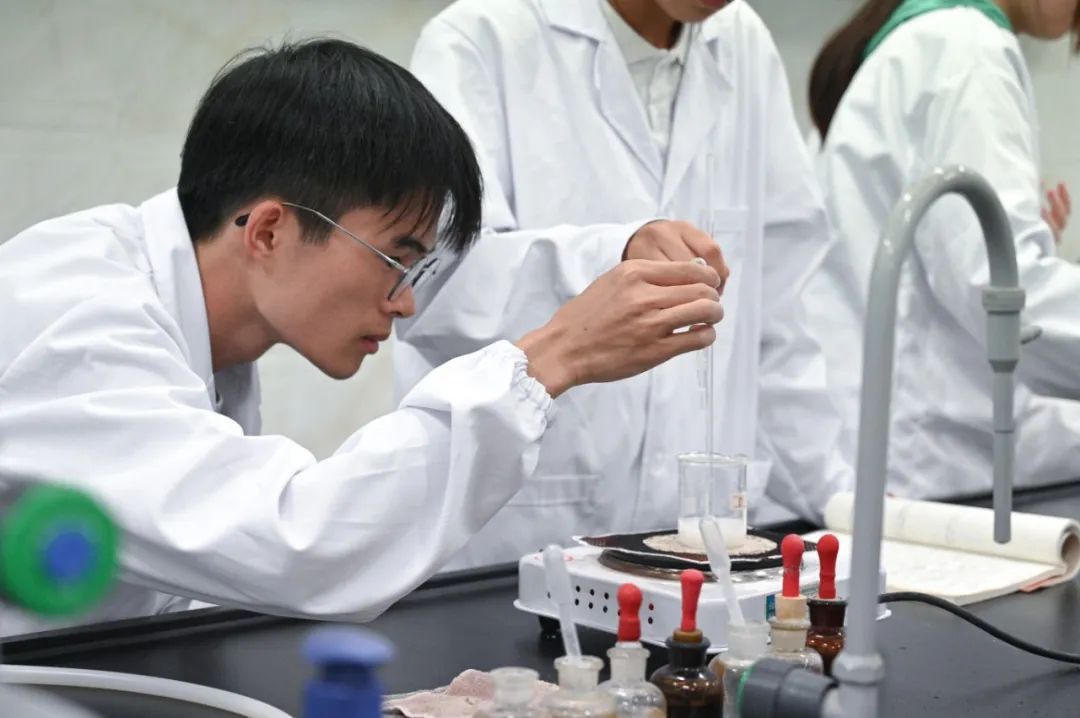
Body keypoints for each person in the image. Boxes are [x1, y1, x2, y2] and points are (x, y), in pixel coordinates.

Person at [0, 39, 725, 635]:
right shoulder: (82, 326)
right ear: (270, 231)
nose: (406, 303)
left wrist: (606, 262)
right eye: (395, 260)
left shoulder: (199, 323)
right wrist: (553, 358)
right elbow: (300, 544)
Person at [395, 0, 853, 568]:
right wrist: (611, 260)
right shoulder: (480, 37)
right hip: (523, 537)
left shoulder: (741, 41)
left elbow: (780, 315)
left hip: (694, 544)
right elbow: (432, 283)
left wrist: (838, 499)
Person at [804, 0, 1080, 498]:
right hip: (928, 462)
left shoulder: (918, 41)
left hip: (898, 445)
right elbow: (1004, 295)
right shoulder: (967, 51)